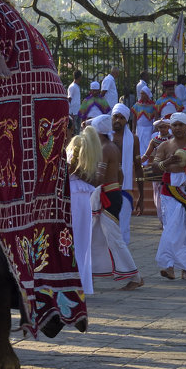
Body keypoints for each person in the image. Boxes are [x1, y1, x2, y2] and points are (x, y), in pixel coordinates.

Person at [90, 113, 144, 290]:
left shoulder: (105, 148)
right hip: (112, 194)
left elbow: (98, 178)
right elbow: (120, 174)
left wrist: (77, 176)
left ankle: (135, 276)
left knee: (113, 237)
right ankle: (89, 273)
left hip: (108, 196)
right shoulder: (112, 147)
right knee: (96, 236)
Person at [152, 112, 186, 280]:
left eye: (181, 125)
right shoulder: (165, 146)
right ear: (171, 127)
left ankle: (184, 269)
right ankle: (169, 266)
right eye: (175, 125)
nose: (177, 128)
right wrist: (167, 163)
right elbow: (155, 165)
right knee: (171, 227)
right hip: (170, 191)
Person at [66, 125, 102, 295]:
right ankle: (78, 280)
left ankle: (76, 280)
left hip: (74, 196)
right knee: (79, 240)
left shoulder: (75, 146)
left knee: (77, 240)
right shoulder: (75, 145)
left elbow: (74, 171)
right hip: (79, 197)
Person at [111, 103, 144, 243]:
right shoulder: (102, 136)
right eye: (115, 117)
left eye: (122, 118)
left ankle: (123, 264)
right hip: (104, 189)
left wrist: (141, 195)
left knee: (123, 231)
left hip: (124, 190)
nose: (118, 120)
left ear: (126, 120)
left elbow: (138, 167)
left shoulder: (134, 139)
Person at [142, 118, 171, 224]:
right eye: (160, 127)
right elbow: (146, 155)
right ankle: (162, 220)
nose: (163, 129)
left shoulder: (173, 139)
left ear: (169, 127)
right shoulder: (154, 141)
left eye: (165, 127)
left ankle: (169, 219)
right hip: (157, 170)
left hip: (170, 169)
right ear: (157, 128)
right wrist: (137, 162)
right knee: (158, 195)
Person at [131, 85, 155, 158]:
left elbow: (155, 117)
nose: (141, 95)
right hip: (139, 129)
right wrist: (133, 129)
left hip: (149, 129)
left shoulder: (152, 105)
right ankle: (140, 160)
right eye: (141, 93)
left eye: (143, 93)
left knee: (148, 143)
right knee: (139, 144)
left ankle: (147, 160)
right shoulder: (137, 105)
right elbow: (134, 118)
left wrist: (155, 129)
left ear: (147, 94)